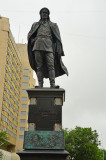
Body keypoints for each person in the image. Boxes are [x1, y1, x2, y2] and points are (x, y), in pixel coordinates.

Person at [27, 7, 68, 88]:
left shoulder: (53, 25)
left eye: (46, 13)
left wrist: (59, 50)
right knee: (39, 66)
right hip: (37, 46)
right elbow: (29, 35)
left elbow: (58, 38)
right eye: (43, 12)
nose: (44, 14)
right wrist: (34, 40)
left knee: (51, 65)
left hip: (49, 46)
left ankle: (52, 84)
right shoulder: (35, 25)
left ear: (48, 15)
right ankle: (40, 85)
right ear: (40, 14)